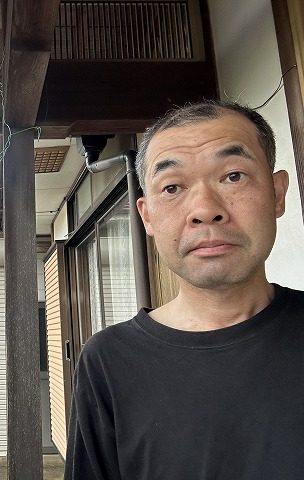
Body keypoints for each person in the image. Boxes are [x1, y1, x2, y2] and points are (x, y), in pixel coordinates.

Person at [65, 100, 304, 479]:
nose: (205, 209)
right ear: (147, 216)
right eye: (172, 187)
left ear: (277, 193)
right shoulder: (107, 362)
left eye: (233, 176)